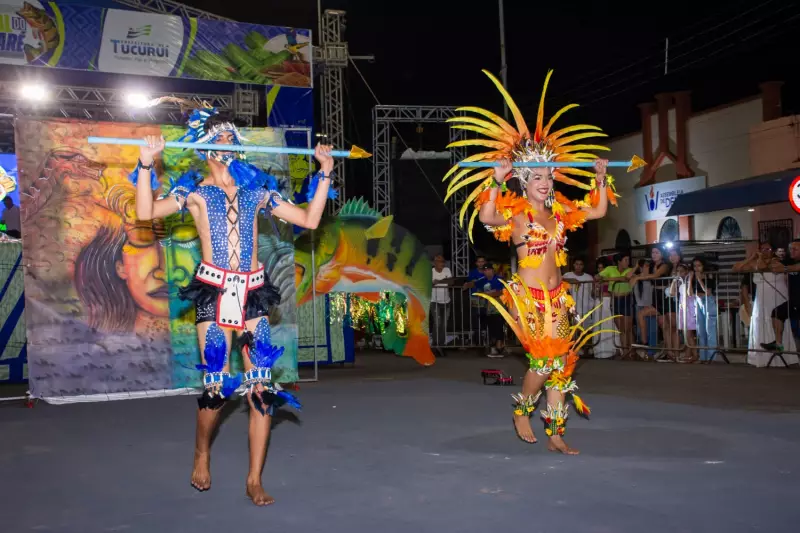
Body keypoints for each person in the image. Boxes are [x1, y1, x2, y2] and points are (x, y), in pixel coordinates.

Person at [131, 101, 335, 506]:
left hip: (253, 293)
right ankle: (201, 451)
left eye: (232, 139)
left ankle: (254, 478)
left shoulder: (257, 190)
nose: (229, 145)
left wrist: (325, 173)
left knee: (262, 388)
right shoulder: (193, 190)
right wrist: (145, 165)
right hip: (214, 290)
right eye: (221, 139)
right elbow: (145, 211)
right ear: (206, 150)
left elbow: (309, 220)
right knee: (216, 389)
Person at [445, 69, 619, 454]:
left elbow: (597, 212)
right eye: (535, 176)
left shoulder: (559, 214)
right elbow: (489, 218)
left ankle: (555, 432)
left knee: (562, 366)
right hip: (530, 296)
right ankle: (521, 410)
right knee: (543, 361)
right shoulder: (519, 214)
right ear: (523, 181)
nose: (543, 181)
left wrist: (601, 178)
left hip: (558, 296)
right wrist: (494, 181)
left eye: (547, 176)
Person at [480, 264, 506, 357]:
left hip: (499, 307)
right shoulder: (483, 281)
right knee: (491, 327)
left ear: (492, 270)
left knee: (498, 325)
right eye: (485, 270)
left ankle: (499, 346)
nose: (487, 272)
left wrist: (487, 294)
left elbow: (500, 291)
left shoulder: (498, 279)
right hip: (488, 308)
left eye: (489, 270)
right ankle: (495, 347)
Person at [430, 254, 453, 354]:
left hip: (446, 300)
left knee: (444, 323)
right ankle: (435, 344)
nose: (441, 263)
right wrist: (443, 281)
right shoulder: (430, 271)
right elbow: (429, 283)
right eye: (439, 261)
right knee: (437, 323)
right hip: (434, 301)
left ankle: (441, 344)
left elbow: (451, 282)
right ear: (434, 262)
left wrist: (438, 282)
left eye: (443, 261)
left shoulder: (447, 270)